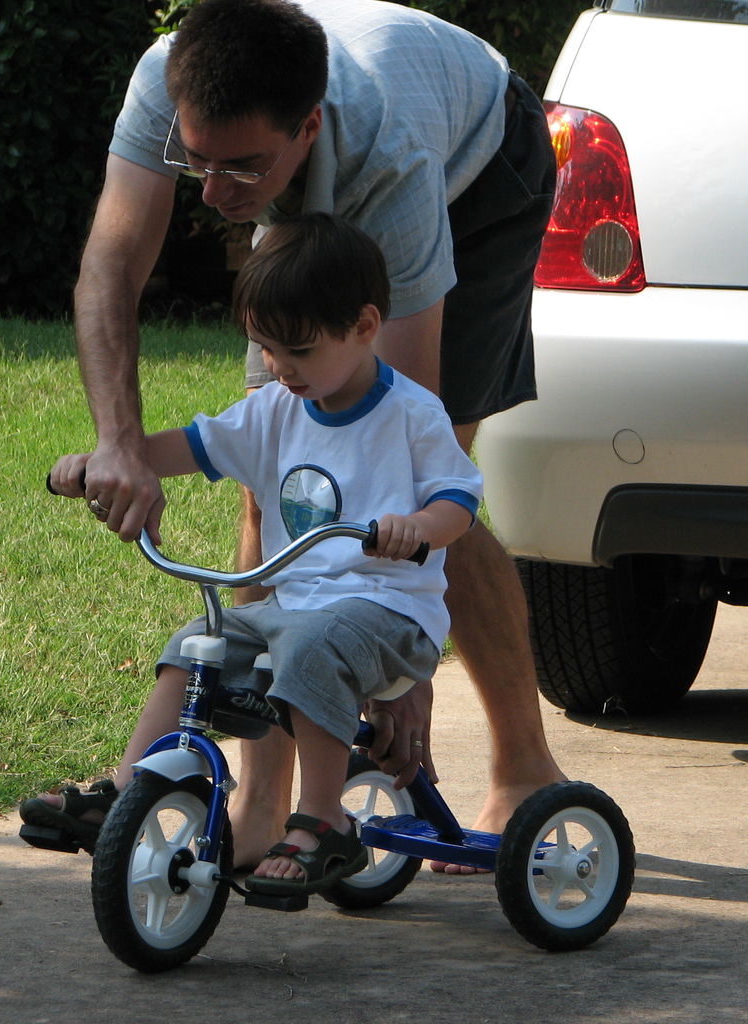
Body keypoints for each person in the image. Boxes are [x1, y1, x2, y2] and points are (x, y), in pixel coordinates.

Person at [41, 0, 564, 871]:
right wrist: (119, 444)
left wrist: (403, 678)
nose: (210, 195)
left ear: (308, 127)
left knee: (416, 489)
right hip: (333, 161)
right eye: (193, 160)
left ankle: (523, 767)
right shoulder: (163, 81)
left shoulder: (388, 160)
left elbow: (410, 439)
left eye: (239, 168)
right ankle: (255, 805)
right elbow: (111, 264)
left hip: (480, 166)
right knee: (276, 477)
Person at [30, 214, 481, 892]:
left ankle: (322, 821)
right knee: (192, 647)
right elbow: (183, 447)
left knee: (308, 647)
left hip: (388, 614)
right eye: (265, 348)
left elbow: (459, 500)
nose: (277, 367)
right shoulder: (275, 410)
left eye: (296, 350)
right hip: (292, 609)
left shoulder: (410, 415)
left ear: (363, 327)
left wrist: (417, 527)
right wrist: (108, 461)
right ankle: (124, 792)